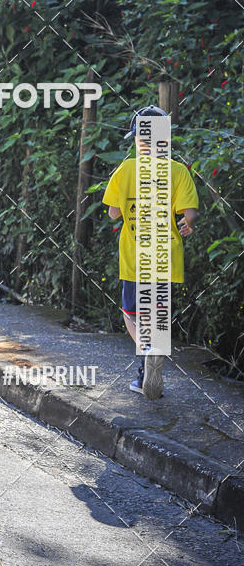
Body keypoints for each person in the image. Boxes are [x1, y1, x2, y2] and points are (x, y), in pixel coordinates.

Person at [102, 106, 199, 398]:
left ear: (137, 140)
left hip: (135, 260)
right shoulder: (178, 171)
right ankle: (151, 360)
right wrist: (187, 224)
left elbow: (113, 214)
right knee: (157, 314)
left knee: (132, 313)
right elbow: (190, 214)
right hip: (167, 259)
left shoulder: (126, 169)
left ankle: (147, 349)